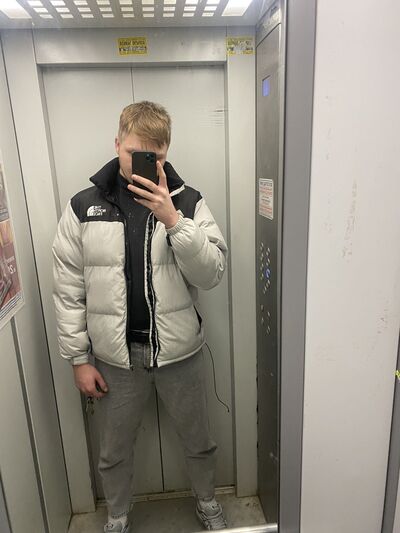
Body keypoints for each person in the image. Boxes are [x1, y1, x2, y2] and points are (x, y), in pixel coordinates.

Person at [52, 101, 229, 532]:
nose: (143, 162)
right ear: (117, 144)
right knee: (113, 451)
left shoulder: (188, 201)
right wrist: (78, 359)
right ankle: (117, 516)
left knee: (199, 441)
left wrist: (173, 219)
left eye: (156, 155)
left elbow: (211, 274)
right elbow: (68, 287)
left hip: (179, 352)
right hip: (115, 358)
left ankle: (207, 502)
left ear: (166, 152)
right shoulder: (84, 206)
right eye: (134, 152)